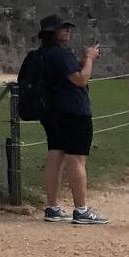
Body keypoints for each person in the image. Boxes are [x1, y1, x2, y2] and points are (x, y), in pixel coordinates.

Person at [32, 14, 106, 224]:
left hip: (52, 112)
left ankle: (52, 206)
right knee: (77, 159)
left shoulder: (43, 54)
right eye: (62, 28)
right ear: (53, 33)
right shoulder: (61, 54)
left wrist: (83, 61)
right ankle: (81, 209)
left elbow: (66, 74)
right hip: (74, 110)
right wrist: (90, 59)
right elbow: (80, 79)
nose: (67, 31)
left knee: (55, 156)